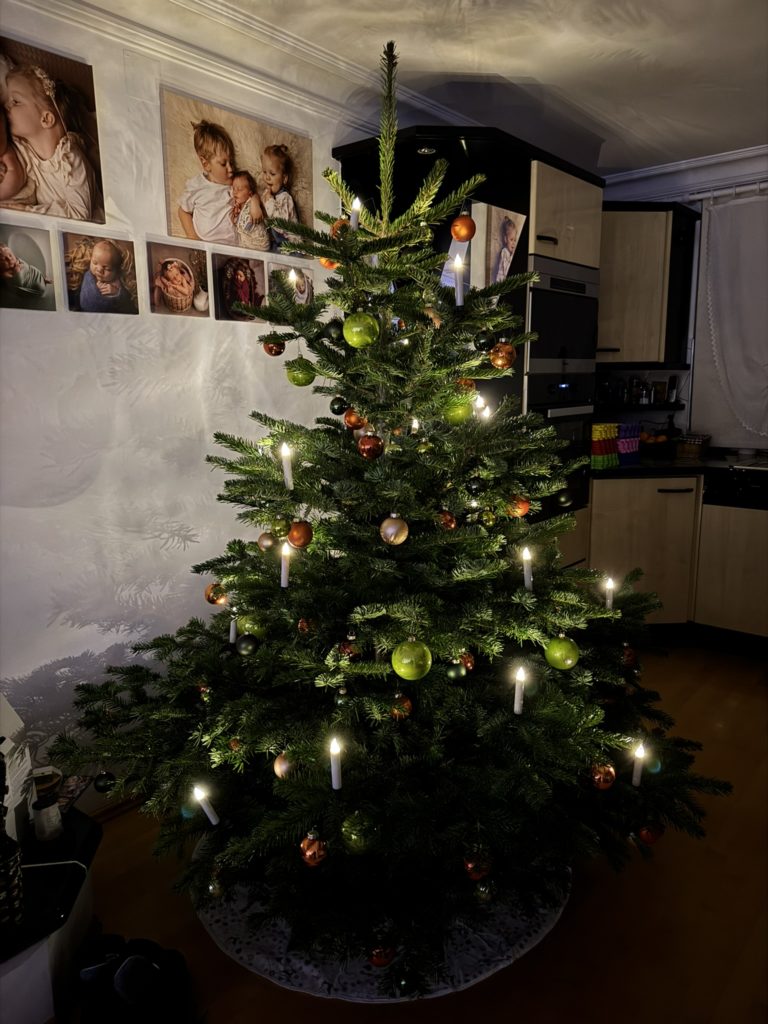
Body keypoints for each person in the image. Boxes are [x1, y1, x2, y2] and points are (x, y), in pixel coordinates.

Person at [1, 65, 101, 221]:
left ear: (46, 119)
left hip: (87, 230)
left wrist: (27, 211)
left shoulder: (69, 159)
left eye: (16, 101)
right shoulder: (26, 151)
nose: (7, 106)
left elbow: (80, 214)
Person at [177, 120, 237, 245]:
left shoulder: (236, 183)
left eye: (231, 162)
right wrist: (193, 238)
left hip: (234, 248)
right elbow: (183, 211)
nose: (230, 168)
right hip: (206, 246)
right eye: (223, 164)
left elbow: (250, 194)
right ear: (206, 164)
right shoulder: (197, 185)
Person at [78, 238, 137, 314]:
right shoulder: (89, 276)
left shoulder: (118, 281)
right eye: (95, 263)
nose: (99, 270)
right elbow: (84, 301)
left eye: (107, 268)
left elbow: (127, 303)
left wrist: (116, 293)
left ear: (116, 270)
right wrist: (95, 289)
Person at [259, 143, 300, 251]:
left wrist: (269, 201)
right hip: (277, 244)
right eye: (264, 172)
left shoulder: (285, 198)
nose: (267, 177)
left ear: (284, 178)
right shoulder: (267, 195)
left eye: (272, 174)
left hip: (291, 246)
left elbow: (281, 225)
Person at [230, 169, 270, 251]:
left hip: (259, 246)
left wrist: (255, 200)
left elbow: (246, 227)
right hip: (250, 246)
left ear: (250, 193)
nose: (235, 192)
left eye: (239, 189)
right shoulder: (240, 207)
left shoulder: (251, 204)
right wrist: (236, 216)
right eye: (233, 189)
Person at [493, 215, 519, 284]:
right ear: (505, 239)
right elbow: (506, 271)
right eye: (511, 240)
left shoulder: (511, 253)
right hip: (500, 281)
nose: (513, 243)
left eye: (515, 240)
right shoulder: (504, 252)